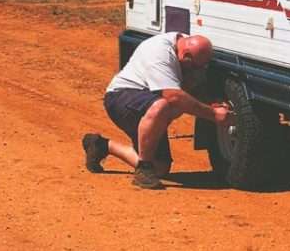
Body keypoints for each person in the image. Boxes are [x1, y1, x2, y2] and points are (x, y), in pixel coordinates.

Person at [82, 32, 233, 190]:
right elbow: (173, 96)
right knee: (163, 105)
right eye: (195, 67)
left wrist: (211, 102)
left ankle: (102, 146)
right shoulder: (159, 53)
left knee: (160, 168)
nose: (197, 71)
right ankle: (143, 169)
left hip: (148, 103)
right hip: (121, 97)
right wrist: (213, 114)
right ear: (186, 55)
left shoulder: (184, 46)